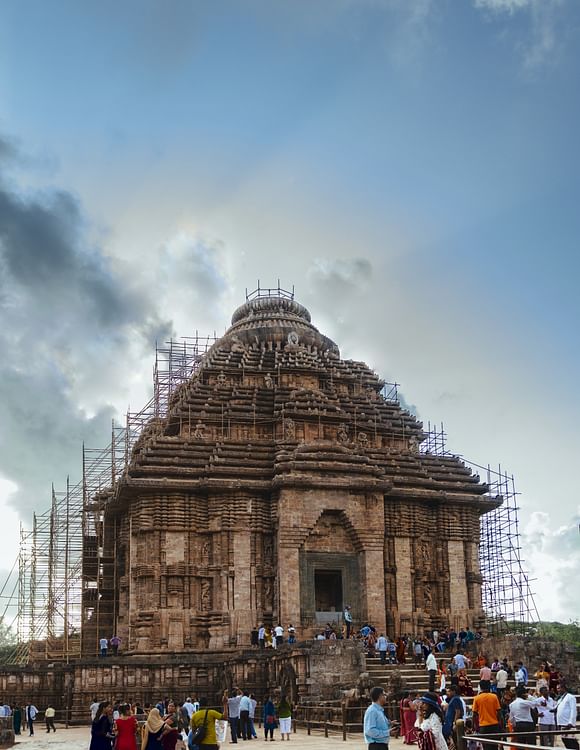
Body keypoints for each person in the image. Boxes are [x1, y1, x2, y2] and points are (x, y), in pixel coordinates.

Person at [472, 680, 502, 750]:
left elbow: (474, 714)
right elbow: (499, 711)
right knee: (495, 746)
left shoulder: (477, 698)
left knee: (486, 747)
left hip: (483, 726)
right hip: (494, 725)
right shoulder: (494, 696)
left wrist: (474, 726)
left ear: (480, 687)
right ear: (489, 687)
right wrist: (500, 723)